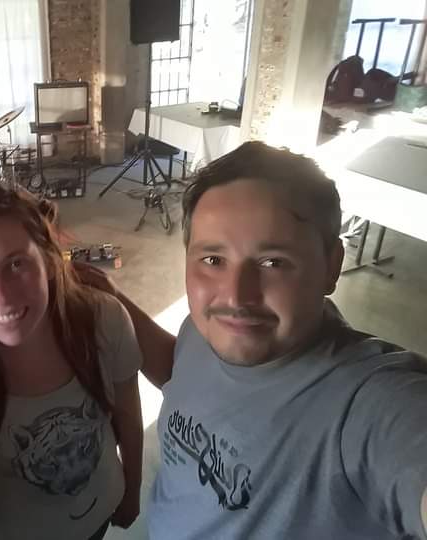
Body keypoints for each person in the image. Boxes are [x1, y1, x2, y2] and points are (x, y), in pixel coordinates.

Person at [84, 141, 427, 539]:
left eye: (273, 262)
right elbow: (182, 374)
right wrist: (112, 297)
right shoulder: (204, 330)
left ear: (331, 266)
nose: (236, 297)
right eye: (213, 260)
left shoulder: (369, 400)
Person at [0, 182, 144, 540]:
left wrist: (133, 489)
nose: (1, 297)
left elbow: (128, 414)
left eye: (16, 264)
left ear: (49, 260)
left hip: (100, 511)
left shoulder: (104, 321)